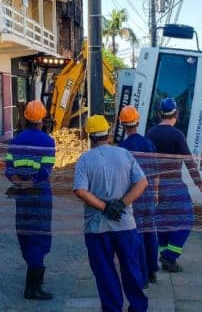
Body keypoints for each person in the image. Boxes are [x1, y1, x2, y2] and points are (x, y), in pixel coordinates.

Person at [73, 115, 149, 312]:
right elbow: (142, 182)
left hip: (97, 228)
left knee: (105, 272)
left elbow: (80, 190)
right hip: (125, 225)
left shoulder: (84, 160)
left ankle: (112, 308)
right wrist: (122, 203)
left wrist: (105, 207)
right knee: (131, 268)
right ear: (109, 132)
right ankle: (138, 307)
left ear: (89, 136)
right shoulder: (125, 154)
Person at [146, 98, 202, 273]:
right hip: (174, 186)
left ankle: (165, 254)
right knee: (186, 220)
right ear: (176, 114)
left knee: (162, 221)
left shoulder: (150, 133)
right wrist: (199, 183)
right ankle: (170, 257)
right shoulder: (177, 135)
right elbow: (189, 161)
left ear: (160, 114)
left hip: (154, 187)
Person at [5, 100, 56, 300]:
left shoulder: (15, 140)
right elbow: (45, 171)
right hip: (40, 195)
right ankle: (32, 287)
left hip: (22, 196)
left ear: (26, 117)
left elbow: (9, 170)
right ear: (42, 119)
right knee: (39, 235)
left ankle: (34, 269)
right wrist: (32, 184)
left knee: (24, 231)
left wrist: (21, 184)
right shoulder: (48, 141)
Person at [117, 105, 160, 287]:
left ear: (122, 124)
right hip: (149, 196)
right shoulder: (148, 143)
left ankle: (141, 278)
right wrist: (156, 194)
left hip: (134, 198)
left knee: (138, 237)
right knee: (151, 234)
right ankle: (152, 271)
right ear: (138, 121)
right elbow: (156, 171)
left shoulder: (122, 148)